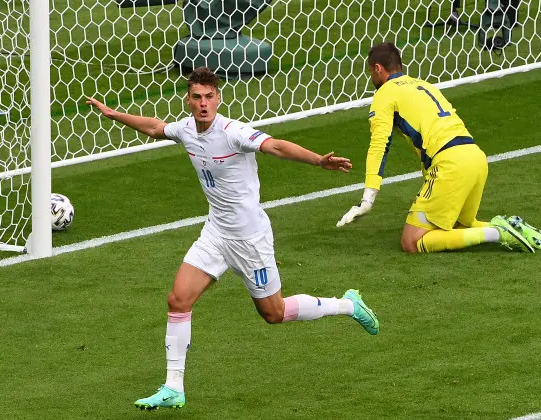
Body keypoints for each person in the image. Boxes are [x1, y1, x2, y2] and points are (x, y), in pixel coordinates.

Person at [87, 67, 380, 411]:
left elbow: (276, 146)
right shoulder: (185, 129)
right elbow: (154, 127)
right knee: (178, 300)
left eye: (209, 97)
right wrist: (113, 113)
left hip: (250, 239)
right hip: (215, 233)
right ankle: (173, 387)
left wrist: (318, 160)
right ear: (189, 100)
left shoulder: (233, 133)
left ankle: (347, 304)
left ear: (218, 98)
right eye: (197, 97)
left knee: (275, 313)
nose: (203, 104)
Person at [336, 42, 541, 254]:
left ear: (377, 68)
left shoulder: (384, 94)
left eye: (370, 72)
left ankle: (497, 233)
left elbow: (379, 146)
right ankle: (506, 225)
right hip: (475, 157)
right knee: (456, 227)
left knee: (411, 242)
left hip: (450, 164)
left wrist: (367, 199)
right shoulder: (423, 85)